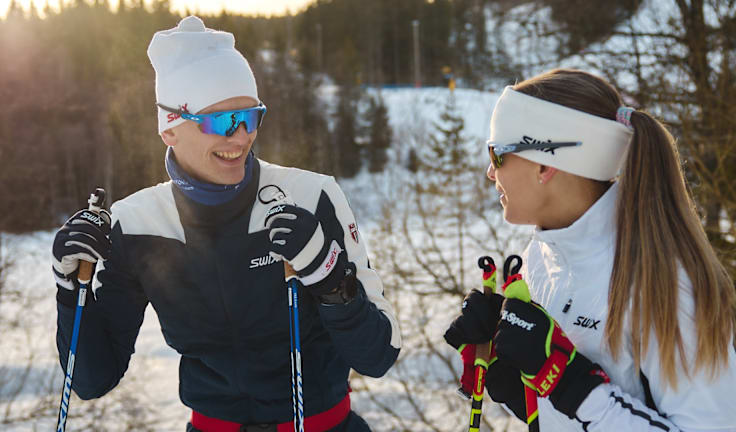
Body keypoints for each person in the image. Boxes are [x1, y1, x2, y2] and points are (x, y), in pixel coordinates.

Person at [52, 16, 400, 432]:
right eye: (220, 121)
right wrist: (71, 290)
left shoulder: (311, 196)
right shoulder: (138, 223)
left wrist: (329, 276)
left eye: (250, 117)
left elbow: (379, 354)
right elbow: (92, 380)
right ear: (171, 128)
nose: (240, 137)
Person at [444, 69, 736, 431]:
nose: (491, 172)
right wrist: (511, 374)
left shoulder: (660, 281)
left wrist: (568, 383)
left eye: (497, 154)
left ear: (545, 163)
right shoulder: (542, 257)